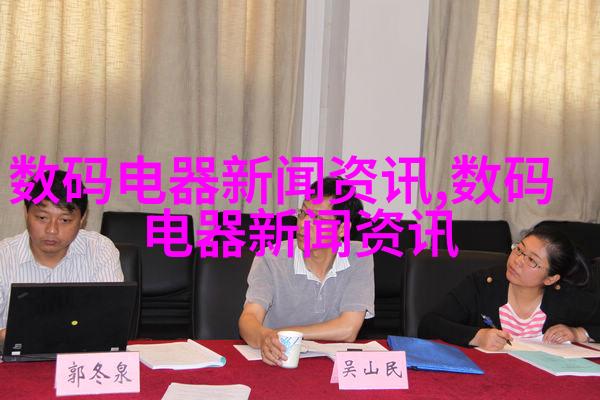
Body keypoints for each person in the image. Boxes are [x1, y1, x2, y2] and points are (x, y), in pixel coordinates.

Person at [238, 176, 375, 366]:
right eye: (303, 213)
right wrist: (264, 337)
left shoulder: (360, 256)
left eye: (317, 218)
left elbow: (348, 329)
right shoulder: (271, 257)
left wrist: (281, 334)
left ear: (342, 229)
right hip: (279, 361)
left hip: (326, 366)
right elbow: (249, 318)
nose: (303, 224)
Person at [419, 226, 600, 350]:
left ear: (550, 279)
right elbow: (429, 325)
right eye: (519, 249)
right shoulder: (483, 284)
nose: (518, 260)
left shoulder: (564, 297)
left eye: (532, 260)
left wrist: (579, 333)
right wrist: (477, 337)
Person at [0, 169, 124, 341]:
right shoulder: (3, 256)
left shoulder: (100, 250)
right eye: (42, 218)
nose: (52, 230)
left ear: (82, 219)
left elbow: (110, 321)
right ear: (26, 213)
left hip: (82, 354)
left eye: (65, 220)